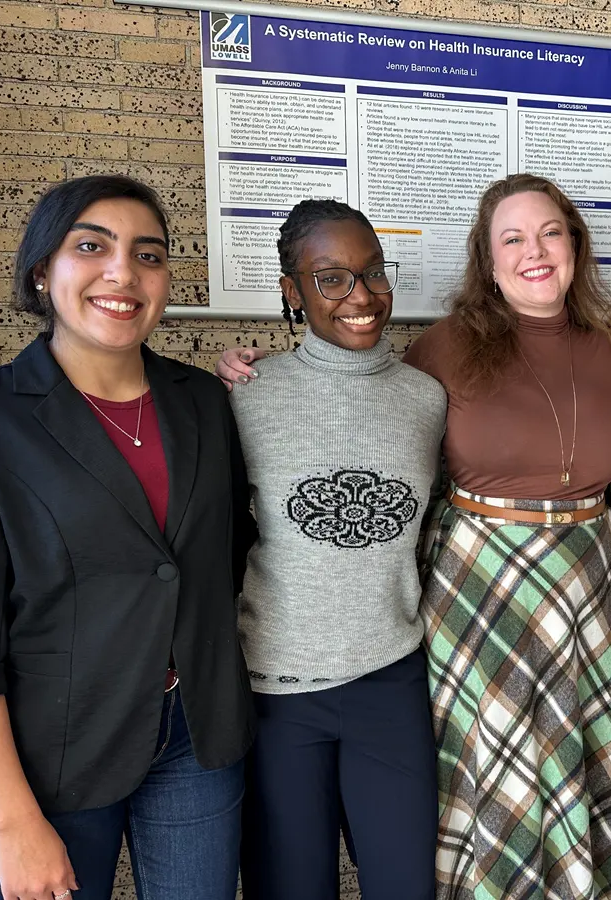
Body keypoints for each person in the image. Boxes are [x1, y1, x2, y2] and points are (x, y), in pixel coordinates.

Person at [0, 175, 256, 900]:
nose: (123, 273)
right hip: (51, 755)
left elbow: (226, 561)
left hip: (198, 737)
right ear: (43, 270)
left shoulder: (203, 405)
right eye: (91, 246)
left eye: (148, 255)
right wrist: (12, 822)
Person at [399, 173, 611, 899]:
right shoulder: (439, 349)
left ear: (574, 245)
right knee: (495, 787)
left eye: (549, 233)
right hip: (481, 594)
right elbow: (362, 401)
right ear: (488, 257)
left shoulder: (609, 353)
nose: (534, 252)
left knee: (572, 769)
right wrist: (245, 370)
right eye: (513, 238)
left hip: (586, 589)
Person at [221, 199, 446, 899]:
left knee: (407, 884)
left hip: (392, 682)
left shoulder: (428, 399)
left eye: (373, 273)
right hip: (278, 694)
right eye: (332, 279)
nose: (361, 296)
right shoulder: (243, 397)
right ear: (292, 292)